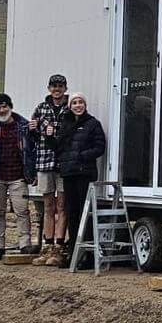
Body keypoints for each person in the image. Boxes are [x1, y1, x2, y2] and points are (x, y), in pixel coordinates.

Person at [0, 93, 38, 261]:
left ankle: (25, 244)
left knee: (22, 211)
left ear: (10, 107)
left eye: (5, 107)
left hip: (18, 176)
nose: (2, 110)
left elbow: (34, 145)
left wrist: (35, 131)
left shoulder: (24, 125)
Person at [56, 91, 106, 268]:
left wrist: (82, 156)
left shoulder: (93, 124)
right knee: (72, 212)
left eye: (80, 102)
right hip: (69, 173)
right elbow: (57, 147)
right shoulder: (65, 124)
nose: (78, 105)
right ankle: (74, 253)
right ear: (70, 106)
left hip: (84, 172)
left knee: (86, 212)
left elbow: (100, 147)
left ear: (85, 105)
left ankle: (88, 255)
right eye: (74, 103)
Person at [29, 73, 71, 265]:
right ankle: (47, 246)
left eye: (60, 86)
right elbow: (32, 136)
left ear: (65, 88)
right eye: (54, 86)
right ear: (48, 88)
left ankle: (59, 247)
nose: (57, 89)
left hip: (63, 164)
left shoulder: (70, 107)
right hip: (44, 161)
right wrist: (32, 129)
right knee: (48, 206)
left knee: (62, 206)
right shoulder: (40, 108)